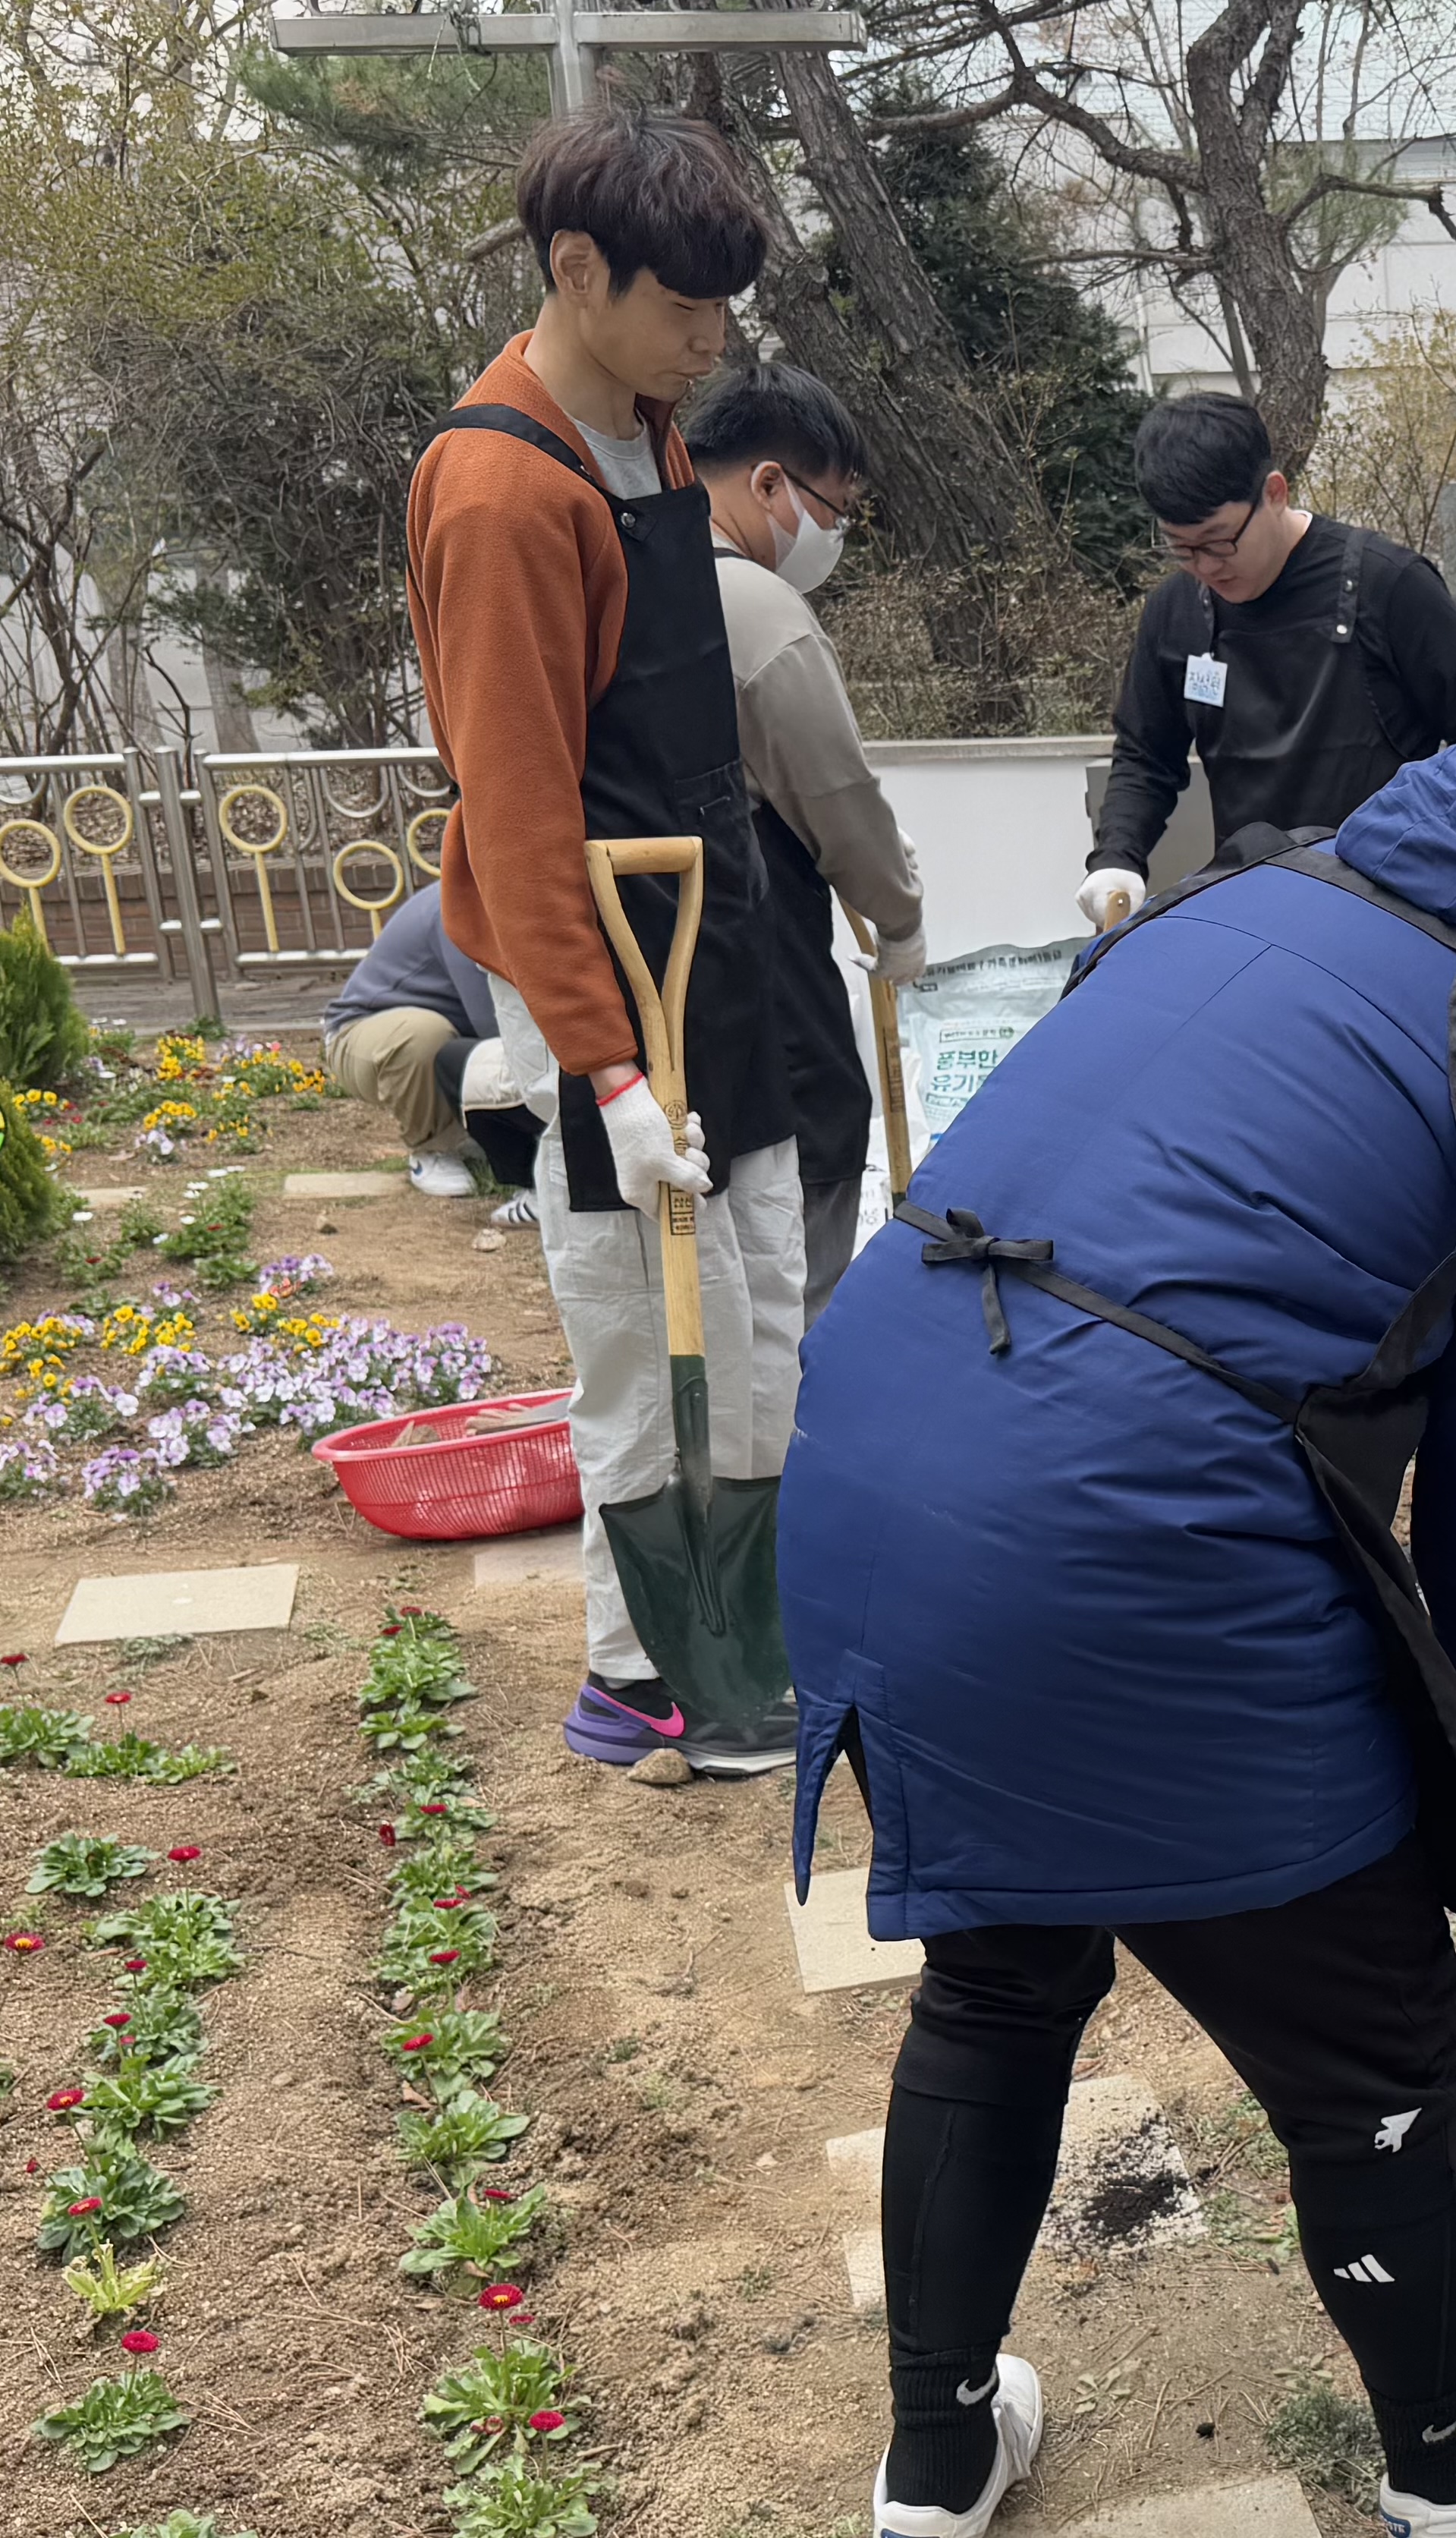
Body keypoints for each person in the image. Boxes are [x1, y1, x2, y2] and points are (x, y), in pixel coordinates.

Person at [778, 734, 1456, 2538]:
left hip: (878, 1466)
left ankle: (939, 2450)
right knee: (1373, 2052)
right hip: (1124, 1535)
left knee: (1005, 1972)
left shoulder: (1253, 895)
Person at [404, 101, 802, 1775]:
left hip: (703, 923)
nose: (710, 347)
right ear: (578, 270)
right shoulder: (501, 492)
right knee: (652, 1318)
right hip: (605, 960)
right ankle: (667, 1675)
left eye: (726, 313)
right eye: (683, 309)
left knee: (757, 1291)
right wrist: (609, 1069)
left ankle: (709, 1644)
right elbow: (510, 809)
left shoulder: (649, 429)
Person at [679, 358, 926, 1324]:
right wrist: (899, 912)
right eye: (837, 509)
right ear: (770, 483)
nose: (835, 535)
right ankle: (786, 1440)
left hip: (656, 971)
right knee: (811, 1160)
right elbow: (835, 795)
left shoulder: (622, 567)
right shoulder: (756, 609)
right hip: (756, 952)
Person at [1075, 392, 1456, 932]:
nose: (1206, 568)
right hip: (1251, 903)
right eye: (1181, 549)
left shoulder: (1390, 586)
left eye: (1219, 542)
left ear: (1274, 493)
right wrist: (1117, 858)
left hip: (1392, 908)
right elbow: (1146, 757)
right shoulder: (1176, 611)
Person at [318, 880, 542, 1223]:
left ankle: (472, 1136)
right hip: (359, 1035)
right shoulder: (460, 907)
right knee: (423, 1035)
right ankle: (431, 1148)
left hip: (449, 1036)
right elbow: (492, 1019)